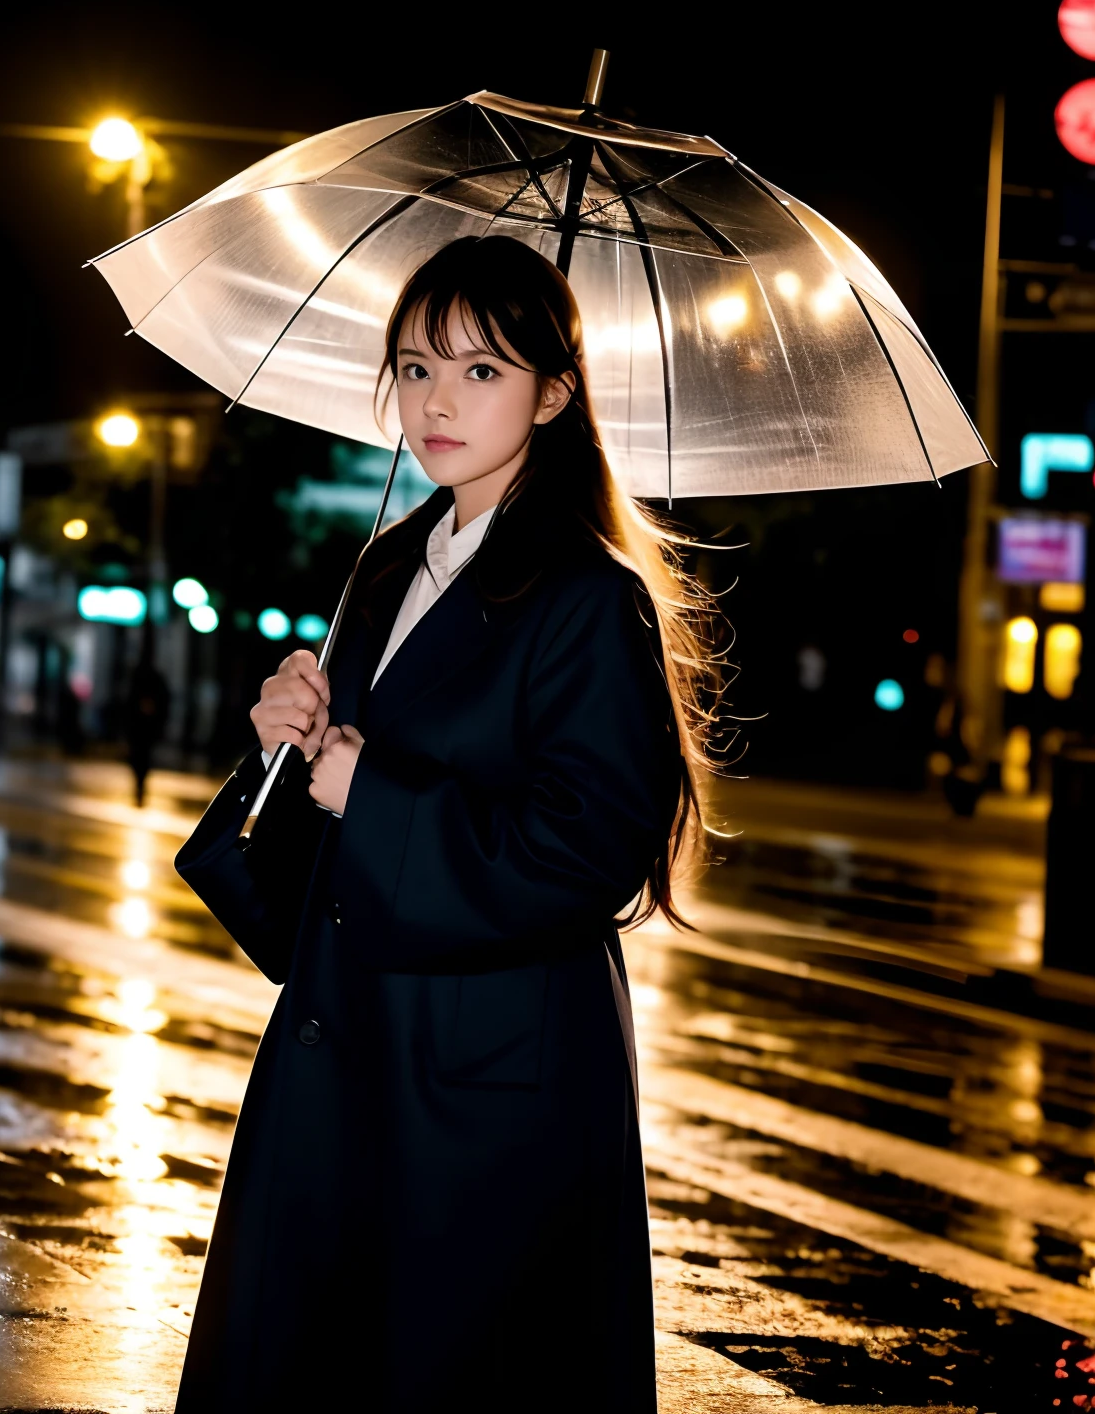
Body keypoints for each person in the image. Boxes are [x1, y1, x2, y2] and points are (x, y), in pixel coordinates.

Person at [173, 237, 721, 1411]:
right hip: (347, 1057)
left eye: (482, 371)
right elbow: (305, 895)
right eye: (416, 368)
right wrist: (286, 750)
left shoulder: (587, 594)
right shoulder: (385, 570)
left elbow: (587, 852)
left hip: (486, 1098)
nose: (438, 401)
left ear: (554, 393)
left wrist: (367, 790)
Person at [122, 654, 171, 805]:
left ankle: (140, 785)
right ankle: (140, 785)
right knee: (140, 758)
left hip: (143, 729)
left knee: (141, 758)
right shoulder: (144, 681)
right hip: (140, 729)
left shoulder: (141, 680)